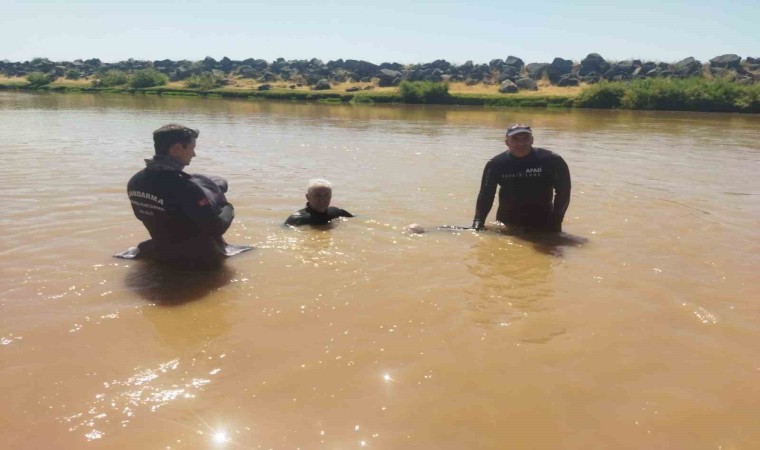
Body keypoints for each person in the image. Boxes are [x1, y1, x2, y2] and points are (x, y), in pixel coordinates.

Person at [126, 124, 238, 269]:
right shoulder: (185, 188)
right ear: (177, 148)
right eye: (192, 148)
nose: (194, 154)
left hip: (161, 251)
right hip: (197, 261)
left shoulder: (135, 181)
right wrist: (228, 207)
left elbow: (141, 216)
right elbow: (215, 228)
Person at [472, 124, 570, 232]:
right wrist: (478, 222)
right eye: (515, 139)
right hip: (507, 223)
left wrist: (556, 221)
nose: (521, 143)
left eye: (525, 138)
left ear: (532, 140)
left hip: (544, 221)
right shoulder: (496, 164)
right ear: (507, 142)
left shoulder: (552, 160)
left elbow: (563, 192)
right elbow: (486, 194)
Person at [285, 179, 353, 226]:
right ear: (308, 197)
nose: (322, 199)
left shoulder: (337, 212)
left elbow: (359, 220)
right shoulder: (297, 219)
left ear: (331, 196)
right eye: (317, 195)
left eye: (326, 195)